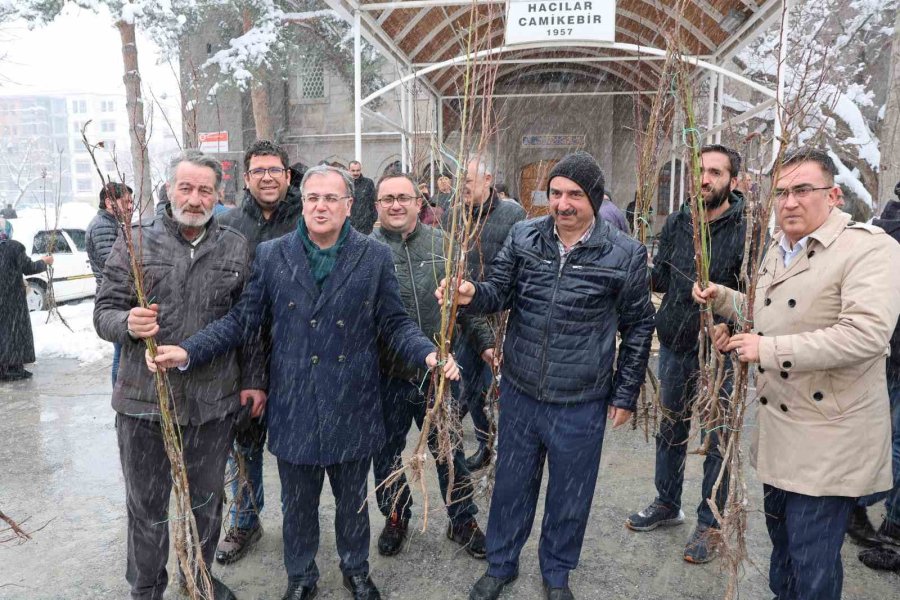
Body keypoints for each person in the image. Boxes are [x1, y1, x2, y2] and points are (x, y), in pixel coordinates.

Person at [149, 164, 460, 600]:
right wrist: (189, 351)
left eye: (331, 198)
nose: (320, 206)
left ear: (349, 206)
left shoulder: (373, 257)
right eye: (313, 197)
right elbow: (243, 320)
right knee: (297, 505)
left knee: (353, 502)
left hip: (352, 400)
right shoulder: (273, 255)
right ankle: (300, 577)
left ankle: (356, 570)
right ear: (303, 203)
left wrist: (427, 352)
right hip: (295, 402)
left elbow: (394, 322)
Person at [439, 151, 656, 600]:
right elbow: (499, 291)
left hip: (581, 398)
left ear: (594, 198)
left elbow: (638, 327)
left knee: (569, 496)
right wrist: (471, 293)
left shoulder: (625, 254)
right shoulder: (525, 236)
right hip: (522, 390)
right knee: (511, 487)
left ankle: (557, 573)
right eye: (555, 193)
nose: (562, 204)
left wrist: (626, 392)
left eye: (574, 195)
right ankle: (500, 565)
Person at [693, 148, 900, 600]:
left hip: (828, 438)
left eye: (803, 190)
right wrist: (726, 302)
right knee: (784, 558)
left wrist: (766, 349)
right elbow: (776, 316)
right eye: (782, 192)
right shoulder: (778, 248)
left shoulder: (870, 248)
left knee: (812, 566)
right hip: (781, 436)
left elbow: (865, 335)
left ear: (834, 195)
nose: (789, 202)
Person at [93, 151, 252, 600]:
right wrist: (128, 323)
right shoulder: (136, 241)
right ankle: (146, 588)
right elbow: (104, 311)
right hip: (144, 403)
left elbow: (245, 320)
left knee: (207, 503)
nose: (195, 199)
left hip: (211, 403)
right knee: (146, 508)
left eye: (205, 190)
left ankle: (198, 576)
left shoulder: (235, 246)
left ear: (218, 195)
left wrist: (250, 382)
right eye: (186, 188)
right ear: (169, 189)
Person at [625, 144, 747, 564]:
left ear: (733, 180)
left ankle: (710, 522)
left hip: (720, 352)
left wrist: (732, 326)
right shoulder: (680, 221)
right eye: (700, 171)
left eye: (715, 172)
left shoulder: (746, 227)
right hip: (676, 343)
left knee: (716, 437)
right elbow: (661, 278)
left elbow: (759, 293)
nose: (705, 179)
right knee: (671, 428)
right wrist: (637, 264)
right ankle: (666, 502)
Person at [370, 171, 491, 559]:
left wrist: (486, 344)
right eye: (388, 199)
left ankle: (462, 518)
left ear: (418, 202)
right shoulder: (366, 250)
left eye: (403, 198)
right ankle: (395, 514)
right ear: (377, 205)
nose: (396, 205)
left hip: (437, 374)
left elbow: (463, 305)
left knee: (449, 449)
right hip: (385, 374)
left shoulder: (442, 245)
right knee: (386, 452)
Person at [213, 140, 302, 566]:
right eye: (258, 171)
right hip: (244, 350)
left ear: (288, 175)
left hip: (296, 352)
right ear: (246, 178)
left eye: (274, 170)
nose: (267, 177)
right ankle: (246, 519)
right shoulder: (228, 225)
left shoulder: (307, 218)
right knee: (245, 444)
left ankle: (298, 523)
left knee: (293, 447)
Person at [442, 158, 526, 472]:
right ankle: (485, 443)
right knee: (470, 389)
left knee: (499, 391)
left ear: (488, 179)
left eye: (467, 180)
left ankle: (509, 451)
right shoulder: (452, 216)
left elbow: (517, 269)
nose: (462, 186)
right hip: (463, 319)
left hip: (499, 317)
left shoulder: (513, 216)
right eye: (459, 180)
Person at [852, 184, 900, 556]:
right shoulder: (890, 237)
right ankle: (850, 501)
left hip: (888, 350)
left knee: (884, 438)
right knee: (894, 444)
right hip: (893, 349)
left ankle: (891, 522)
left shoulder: (884, 228)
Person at [86, 182, 134, 385]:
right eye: (126, 202)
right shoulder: (102, 226)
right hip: (115, 296)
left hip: (118, 294)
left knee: (123, 352)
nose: (130, 206)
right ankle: (119, 392)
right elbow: (113, 265)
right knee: (121, 355)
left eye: (131, 202)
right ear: (109, 202)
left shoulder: (111, 223)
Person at [0, 218, 52, 381]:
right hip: (11, 298)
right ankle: (12, 368)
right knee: (12, 332)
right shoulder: (13, 247)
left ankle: (3, 367)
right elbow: (29, 268)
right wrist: (44, 262)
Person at [348, 160, 377, 234]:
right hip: (349, 226)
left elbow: (373, 202)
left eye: (358, 170)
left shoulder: (368, 183)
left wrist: (371, 220)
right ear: (349, 170)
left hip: (365, 227)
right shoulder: (345, 184)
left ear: (360, 170)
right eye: (353, 170)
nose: (355, 173)